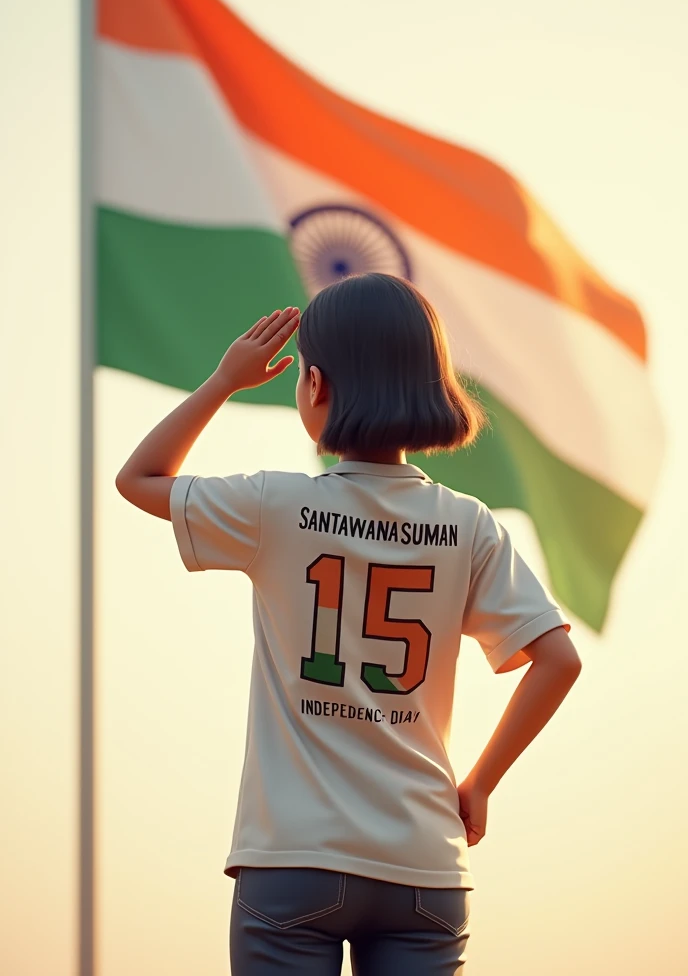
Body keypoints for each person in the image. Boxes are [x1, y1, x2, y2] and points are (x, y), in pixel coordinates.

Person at [116, 273, 582, 975]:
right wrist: (478, 785)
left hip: (294, 858)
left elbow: (140, 478)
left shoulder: (273, 505)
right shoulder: (468, 524)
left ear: (315, 386)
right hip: (425, 868)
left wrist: (223, 381)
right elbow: (559, 661)